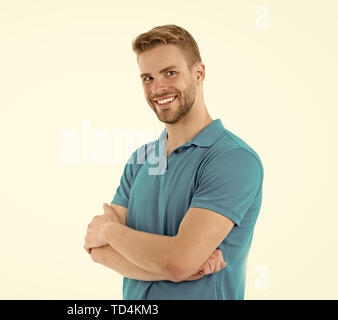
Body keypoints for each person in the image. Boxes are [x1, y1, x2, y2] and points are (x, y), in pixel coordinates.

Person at [84, 24, 264, 300]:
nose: (158, 88)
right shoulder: (142, 158)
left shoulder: (233, 158)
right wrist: (171, 267)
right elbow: (98, 251)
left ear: (199, 73)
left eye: (170, 73)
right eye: (147, 78)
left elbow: (179, 261)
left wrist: (108, 229)